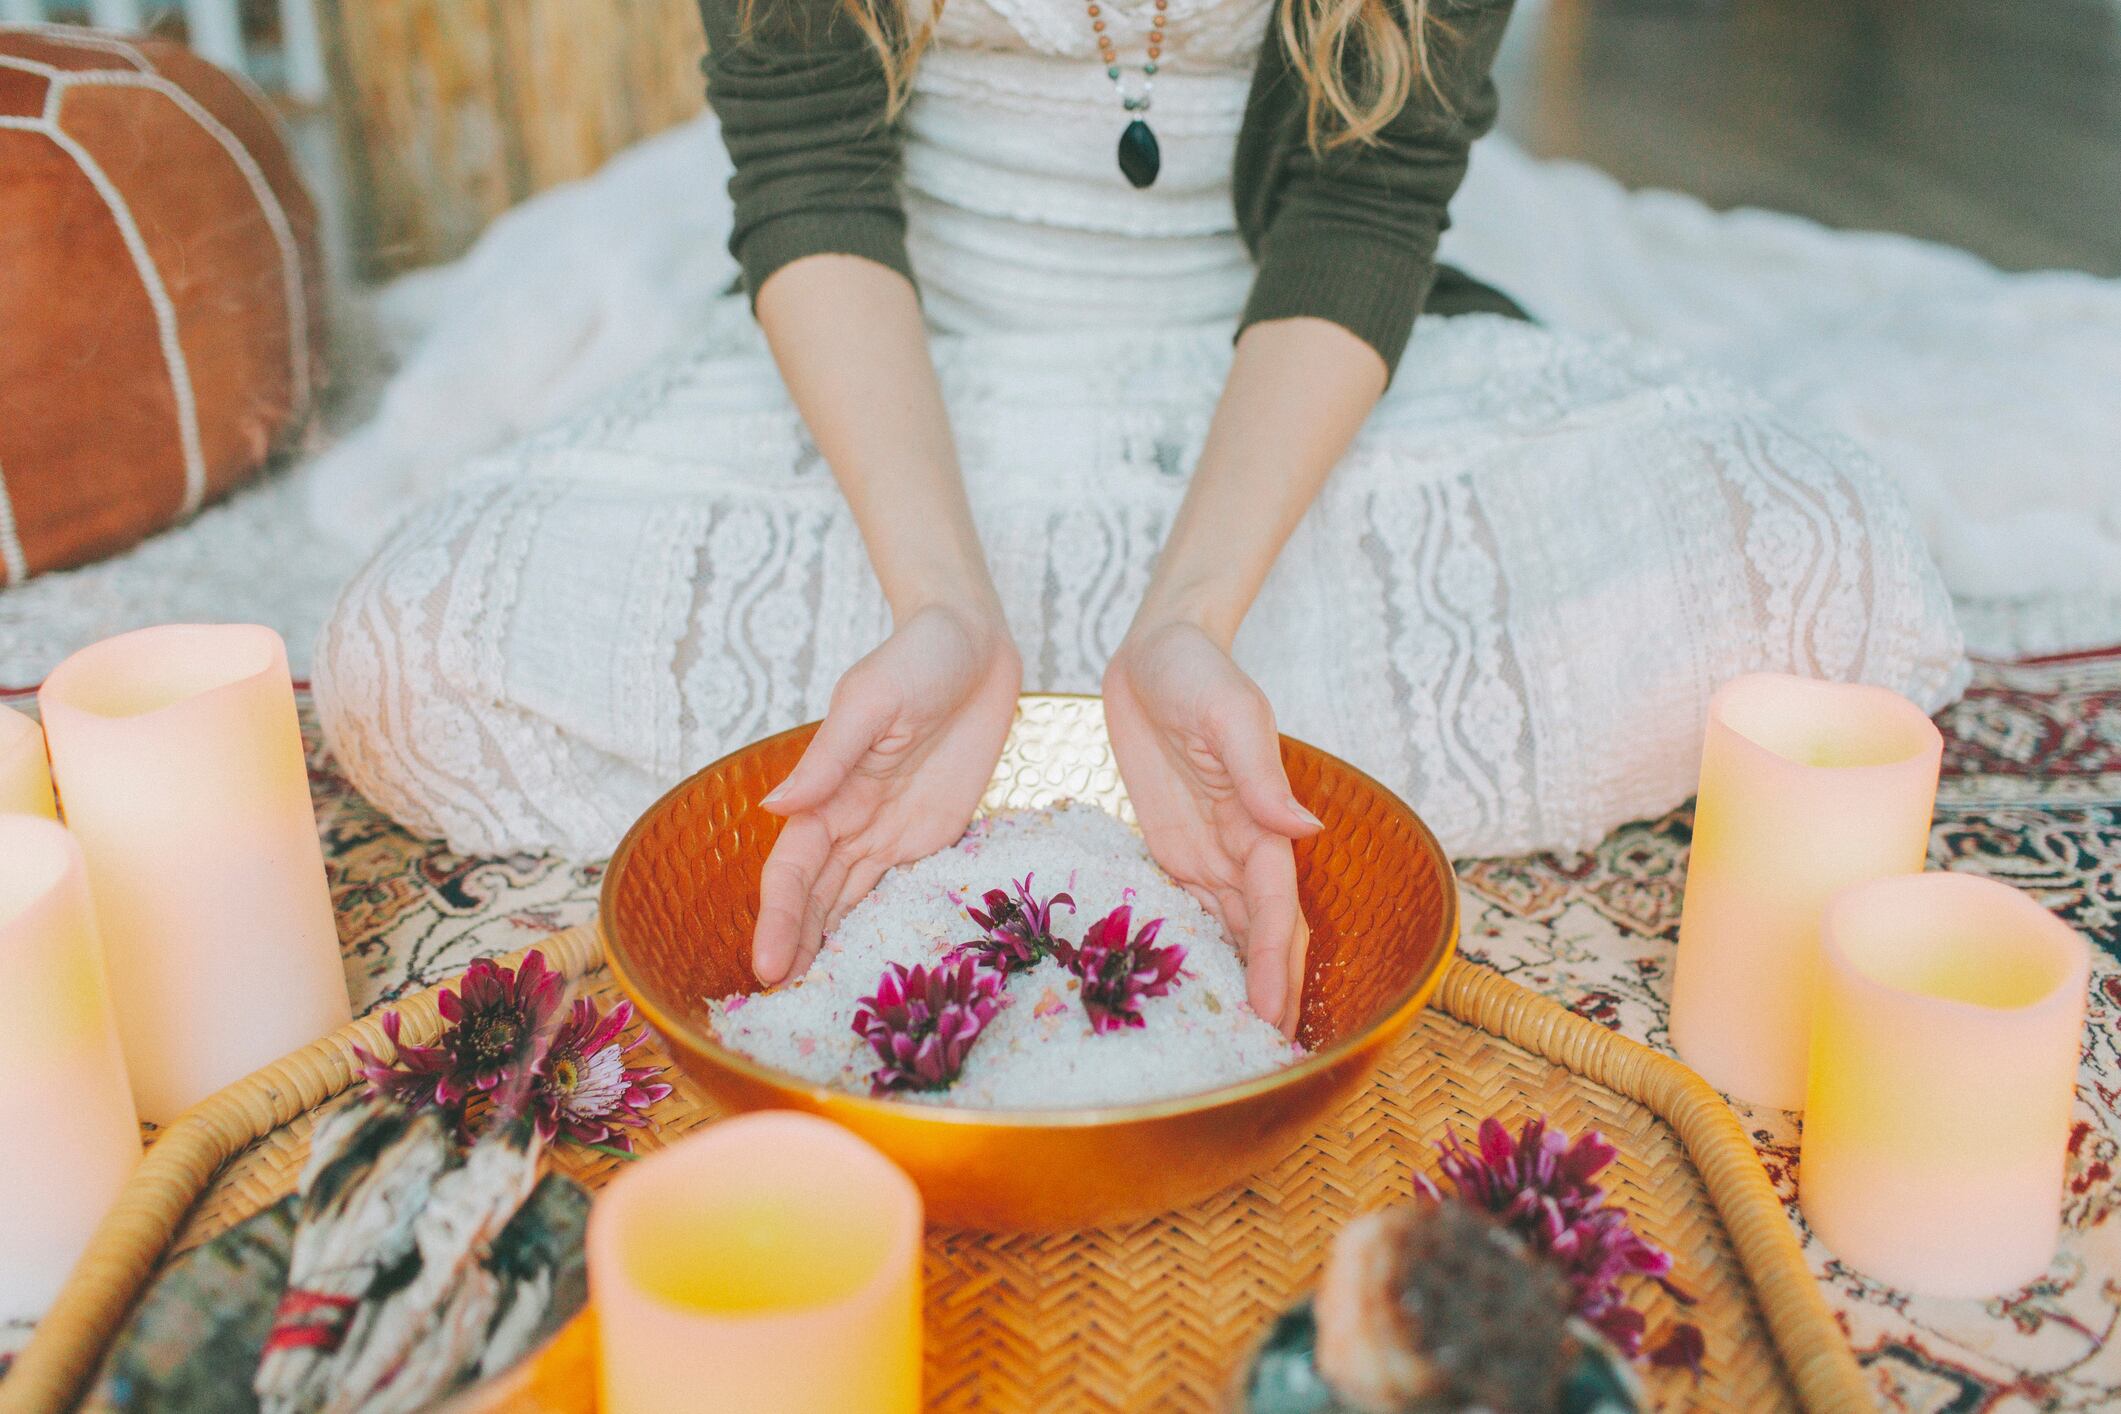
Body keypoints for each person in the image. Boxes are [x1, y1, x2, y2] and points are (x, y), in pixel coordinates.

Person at [313, 0, 1962, 1037]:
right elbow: (803, 168)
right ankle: (1004, 695)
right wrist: (942, 604)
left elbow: (1367, 193)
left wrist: (1189, 618)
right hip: (895, 377)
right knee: (406, 659)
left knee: (1821, 577)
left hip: (1282, 376)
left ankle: (1146, 707)